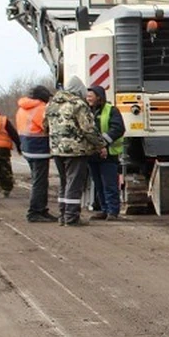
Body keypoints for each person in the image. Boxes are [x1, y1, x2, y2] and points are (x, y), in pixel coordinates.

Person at [43, 77, 105, 226]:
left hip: (57, 149)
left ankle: (63, 215)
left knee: (64, 182)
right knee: (74, 183)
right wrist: (100, 145)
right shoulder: (78, 105)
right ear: (79, 90)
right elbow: (88, 129)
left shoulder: (51, 104)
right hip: (75, 150)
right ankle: (72, 217)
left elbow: (44, 125)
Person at [17, 85, 58, 222]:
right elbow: (48, 127)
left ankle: (41, 210)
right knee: (40, 183)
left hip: (28, 148)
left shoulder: (22, 108)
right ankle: (35, 212)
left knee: (38, 181)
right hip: (39, 149)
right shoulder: (41, 109)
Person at [85, 85, 125, 220]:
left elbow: (118, 128)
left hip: (109, 154)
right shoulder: (86, 111)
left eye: (91, 96)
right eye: (87, 96)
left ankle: (112, 211)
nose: (88, 98)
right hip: (92, 154)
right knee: (98, 184)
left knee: (110, 184)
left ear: (99, 97)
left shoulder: (112, 110)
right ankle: (104, 209)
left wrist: (102, 143)